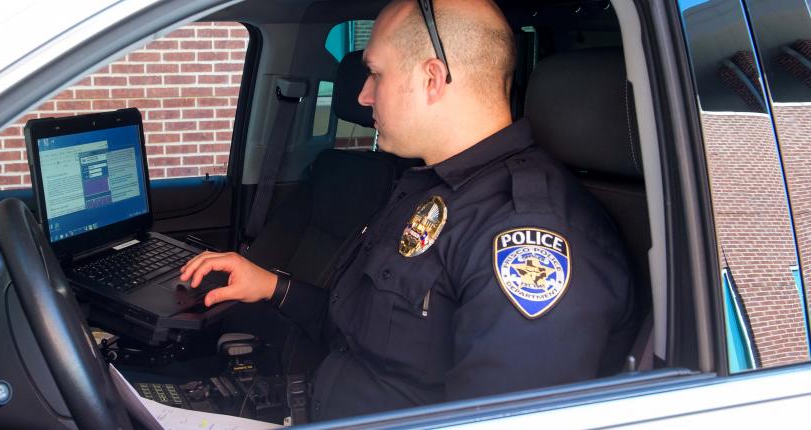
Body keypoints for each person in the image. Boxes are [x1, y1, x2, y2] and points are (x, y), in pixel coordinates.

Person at [180, 0, 636, 421]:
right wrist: (272, 287)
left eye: (375, 74)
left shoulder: (528, 233)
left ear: (432, 79)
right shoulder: (428, 187)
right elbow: (362, 331)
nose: (362, 96)